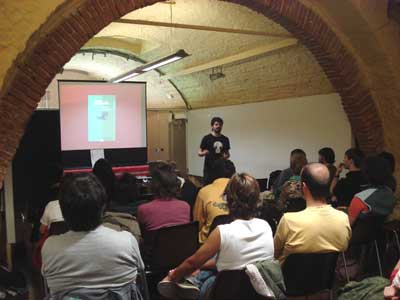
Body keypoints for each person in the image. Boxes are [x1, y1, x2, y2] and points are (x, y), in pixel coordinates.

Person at [158, 173, 274, 300]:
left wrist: (173, 275)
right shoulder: (265, 227)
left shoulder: (223, 232)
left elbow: (192, 262)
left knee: (212, 278)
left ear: (228, 199)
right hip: (258, 293)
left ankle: (191, 282)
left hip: (226, 293)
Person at [41, 173, 144, 298]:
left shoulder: (50, 247)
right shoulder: (126, 241)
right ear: (103, 208)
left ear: (63, 210)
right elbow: (140, 274)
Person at [274, 163, 351, 264]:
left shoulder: (289, 220)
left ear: (304, 187)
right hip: (328, 278)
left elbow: (274, 253)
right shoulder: (343, 218)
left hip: (288, 278)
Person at [137, 161, 190, 233]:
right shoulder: (185, 206)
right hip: (183, 244)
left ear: (153, 185)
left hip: (154, 244)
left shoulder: (143, 209)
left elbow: (141, 233)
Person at [193, 159, 236, 243]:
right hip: (235, 242)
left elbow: (197, 224)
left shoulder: (204, 191)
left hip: (208, 243)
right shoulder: (241, 190)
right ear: (233, 174)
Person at [348, 155, 396, 226]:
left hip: (358, 236)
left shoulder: (360, 198)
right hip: (382, 235)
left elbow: (347, 227)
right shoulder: (390, 194)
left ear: (366, 173)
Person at [198, 117, 231, 185]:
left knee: (220, 188)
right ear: (212, 126)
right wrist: (203, 153)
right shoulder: (206, 138)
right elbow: (199, 152)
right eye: (216, 124)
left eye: (220, 125)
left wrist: (226, 156)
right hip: (209, 169)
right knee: (208, 188)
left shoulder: (225, 139)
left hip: (221, 169)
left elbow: (227, 154)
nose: (218, 126)